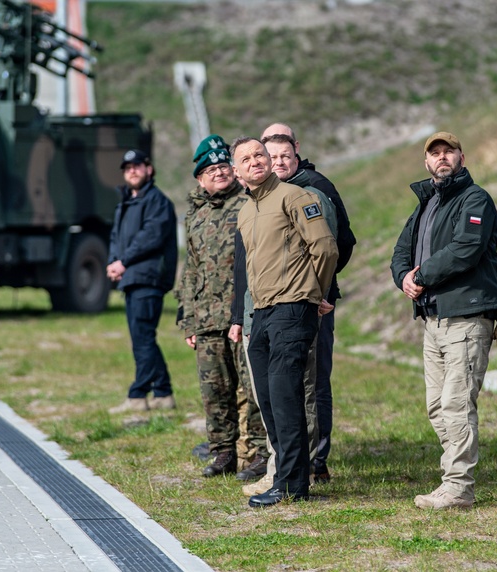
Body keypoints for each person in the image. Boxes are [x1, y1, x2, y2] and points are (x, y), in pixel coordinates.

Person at [390, 131, 497, 510]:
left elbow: (467, 247)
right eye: (435, 153)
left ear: (462, 157)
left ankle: (458, 487)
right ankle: (456, 475)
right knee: (437, 407)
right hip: (433, 319)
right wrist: (404, 277)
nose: (442, 157)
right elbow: (401, 250)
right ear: (426, 162)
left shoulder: (475, 199)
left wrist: (422, 275)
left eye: (449, 151)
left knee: (457, 404)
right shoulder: (426, 204)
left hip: (467, 316)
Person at [231, 137, 338, 507]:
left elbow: (325, 247)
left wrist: (315, 293)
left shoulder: (294, 196)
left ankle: (291, 484)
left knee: (285, 395)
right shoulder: (245, 212)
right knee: (268, 399)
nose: (255, 161)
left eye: (259, 154)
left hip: (294, 307)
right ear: (237, 171)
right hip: (261, 312)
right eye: (246, 159)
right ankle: (287, 478)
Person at [260, 123, 356, 483]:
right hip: (278, 303)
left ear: (296, 152)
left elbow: (340, 243)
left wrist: (320, 289)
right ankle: (289, 457)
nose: (278, 161)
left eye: (284, 155)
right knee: (286, 379)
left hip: (315, 302)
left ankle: (316, 461)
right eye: (271, 156)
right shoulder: (266, 193)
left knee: (313, 380)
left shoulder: (315, 188)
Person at [177, 134, 268, 480]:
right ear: (200, 178)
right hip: (206, 318)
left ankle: (259, 452)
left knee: (252, 386)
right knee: (214, 390)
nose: (218, 173)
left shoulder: (247, 203)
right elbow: (191, 269)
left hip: (241, 314)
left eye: (223, 167)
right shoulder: (194, 215)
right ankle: (223, 452)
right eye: (210, 170)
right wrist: (188, 319)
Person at [107, 149, 178, 414]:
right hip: (132, 277)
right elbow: (116, 237)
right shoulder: (127, 202)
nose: (132, 171)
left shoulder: (157, 201)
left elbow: (150, 237)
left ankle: (138, 395)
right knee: (142, 337)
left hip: (149, 278)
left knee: (143, 338)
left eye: (137, 166)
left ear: (149, 169)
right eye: (127, 168)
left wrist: (123, 261)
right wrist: (114, 262)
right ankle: (163, 393)